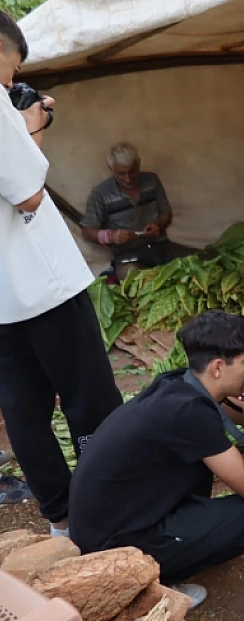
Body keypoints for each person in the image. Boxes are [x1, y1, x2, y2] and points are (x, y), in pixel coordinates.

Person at [0, 10, 123, 536]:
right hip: (42, 286)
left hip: (3, 301)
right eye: (10, 67)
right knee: (88, 399)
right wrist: (31, 127)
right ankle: (111, 512)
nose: (10, 81)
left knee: (23, 409)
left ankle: (62, 518)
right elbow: (26, 191)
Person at [69, 311, 244, 608]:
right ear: (218, 367)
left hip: (106, 523)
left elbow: (234, 423)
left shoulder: (179, 386)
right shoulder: (187, 412)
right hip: (114, 549)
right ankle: (155, 583)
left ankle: (171, 550)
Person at [81, 142, 175, 279]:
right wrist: (112, 236)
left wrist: (158, 225)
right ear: (111, 169)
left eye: (132, 171)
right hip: (128, 256)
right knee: (136, 279)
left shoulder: (152, 181)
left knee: (193, 266)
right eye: (121, 174)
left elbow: (166, 214)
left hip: (160, 246)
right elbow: (87, 231)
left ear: (139, 164)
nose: (128, 178)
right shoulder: (100, 194)